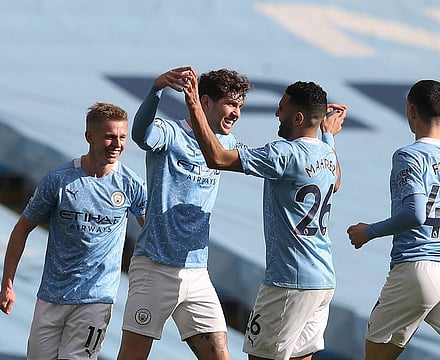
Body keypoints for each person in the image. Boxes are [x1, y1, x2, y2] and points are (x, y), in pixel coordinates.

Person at [182, 68, 347, 360]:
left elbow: (217, 158)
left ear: (297, 118)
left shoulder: (285, 153)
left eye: (281, 109)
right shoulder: (326, 153)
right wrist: (329, 137)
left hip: (287, 281)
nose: (276, 114)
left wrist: (195, 106)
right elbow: (335, 182)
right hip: (322, 279)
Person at [116, 66, 252, 360]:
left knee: (219, 354)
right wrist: (155, 90)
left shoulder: (225, 144)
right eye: (230, 104)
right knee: (133, 354)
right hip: (155, 266)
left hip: (196, 271)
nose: (236, 113)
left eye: (240, 106)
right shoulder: (171, 133)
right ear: (205, 102)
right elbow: (141, 134)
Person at [0, 102, 147, 360]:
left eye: (122, 137)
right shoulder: (59, 180)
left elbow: (153, 233)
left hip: (96, 298)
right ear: (90, 136)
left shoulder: (130, 184)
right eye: (110, 136)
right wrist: (7, 284)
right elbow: (22, 228)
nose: (117, 144)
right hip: (52, 295)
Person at [347, 79, 440, 360]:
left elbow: (415, 214)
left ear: (410, 110)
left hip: (416, 268)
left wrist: (368, 231)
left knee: (377, 355)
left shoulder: (409, 155)